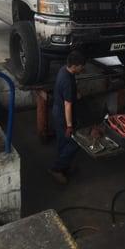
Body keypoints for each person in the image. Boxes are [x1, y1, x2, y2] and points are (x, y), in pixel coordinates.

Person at [48, 50, 86, 184]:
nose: (83, 68)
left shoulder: (63, 70)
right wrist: (69, 126)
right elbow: (68, 105)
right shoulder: (67, 82)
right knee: (75, 143)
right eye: (81, 66)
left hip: (57, 112)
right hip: (64, 116)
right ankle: (56, 169)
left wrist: (76, 93)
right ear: (75, 66)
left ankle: (63, 167)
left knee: (62, 142)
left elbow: (68, 95)